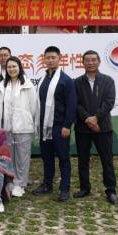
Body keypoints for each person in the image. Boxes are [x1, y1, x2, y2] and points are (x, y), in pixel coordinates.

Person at [32, 46, 77, 202]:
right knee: (47, 157)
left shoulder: (66, 80)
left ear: (59, 59)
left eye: (53, 57)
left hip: (59, 127)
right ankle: (47, 184)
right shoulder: (44, 79)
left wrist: (67, 126)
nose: (50, 60)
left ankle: (64, 189)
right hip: (44, 127)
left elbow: (72, 105)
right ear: (44, 59)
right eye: (47, 58)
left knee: (63, 158)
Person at [74, 50, 118, 204]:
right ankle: (85, 188)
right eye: (87, 60)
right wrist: (87, 118)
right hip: (83, 128)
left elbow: (109, 102)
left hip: (103, 128)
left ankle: (111, 190)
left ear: (99, 62)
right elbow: (76, 104)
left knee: (107, 160)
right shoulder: (77, 82)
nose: (90, 62)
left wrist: (96, 118)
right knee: (83, 160)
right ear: (83, 63)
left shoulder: (108, 81)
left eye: (93, 60)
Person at [0, 56, 37, 197]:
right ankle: (13, 181)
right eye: (9, 67)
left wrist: (25, 119)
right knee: (11, 156)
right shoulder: (3, 85)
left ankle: (21, 184)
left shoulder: (27, 85)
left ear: (19, 67)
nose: (12, 69)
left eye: (14, 66)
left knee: (22, 157)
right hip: (8, 127)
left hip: (23, 127)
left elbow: (33, 107)